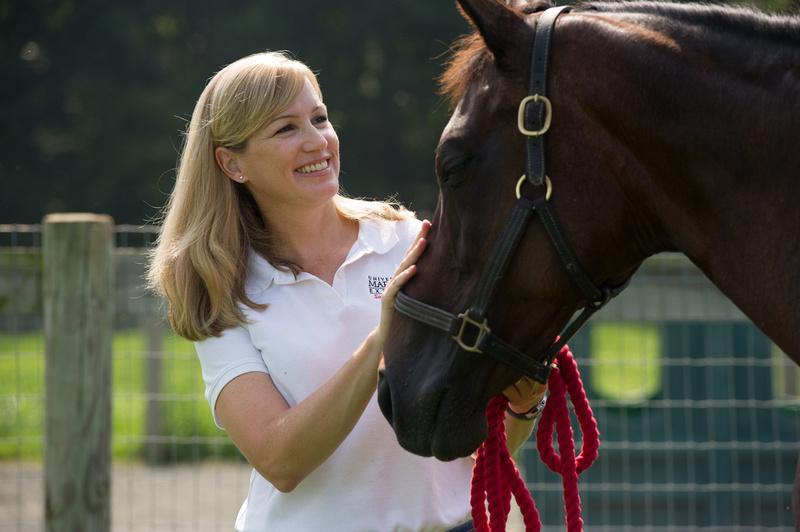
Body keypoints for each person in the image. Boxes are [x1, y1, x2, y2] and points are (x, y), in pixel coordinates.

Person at [147, 51, 547, 532]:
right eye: (285, 129)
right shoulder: (219, 290)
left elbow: (477, 442)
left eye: (320, 118)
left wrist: (525, 405)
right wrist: (383, 337)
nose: (317, 141)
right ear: (232, 164)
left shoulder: (412, 241)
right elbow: (279, 459)